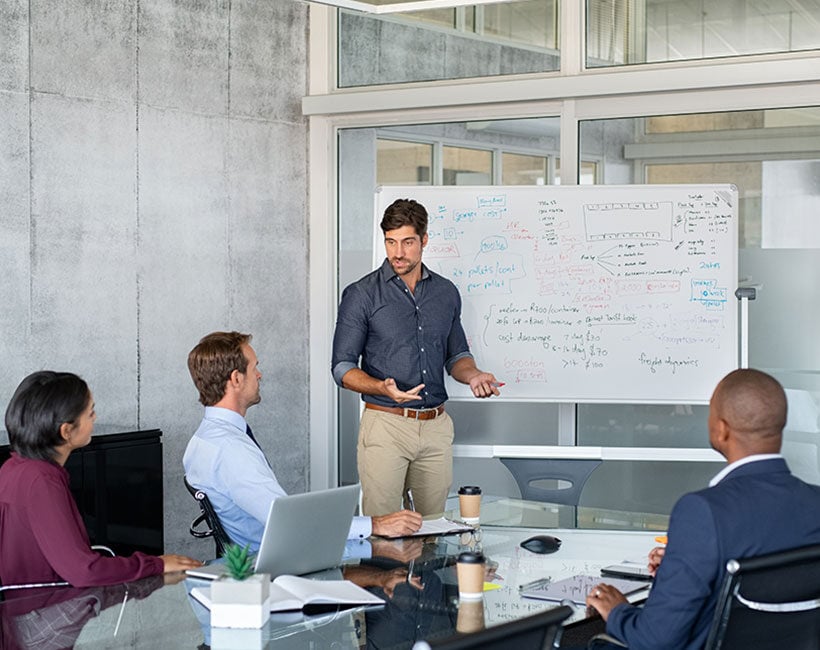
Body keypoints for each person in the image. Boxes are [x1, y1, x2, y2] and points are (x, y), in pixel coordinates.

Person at [583, 368, 820, 650]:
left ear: (721, 428)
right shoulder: (814, 501)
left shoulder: (702, 511)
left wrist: (617, 609)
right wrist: (680, 565)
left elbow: (655, 640)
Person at [331, 198, 500, 517]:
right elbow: (342, 368)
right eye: (390, 242)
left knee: (434, 529)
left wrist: (474, 375)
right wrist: (382, 387)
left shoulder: (446, 292)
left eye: (407, 242)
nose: (397, 252)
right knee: (384, 531)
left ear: (423, 240)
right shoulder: (361, 294)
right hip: (386, 424)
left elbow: (457, 356)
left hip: (435, 427)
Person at [183, 331, 421, 552]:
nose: (259, 375)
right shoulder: (231, 450)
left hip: (268, 555)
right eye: (255, 367)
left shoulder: (202, 440)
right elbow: (288, 522)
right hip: (281, 560)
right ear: (236, 378)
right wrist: (376, 525)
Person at [0, 371, 201, 590]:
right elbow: (84, 572)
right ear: (66, 431)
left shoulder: (13, 467)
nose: (95, 418)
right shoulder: (41, 481)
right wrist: (157, 564)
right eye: (90, 413)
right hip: (45, 612)